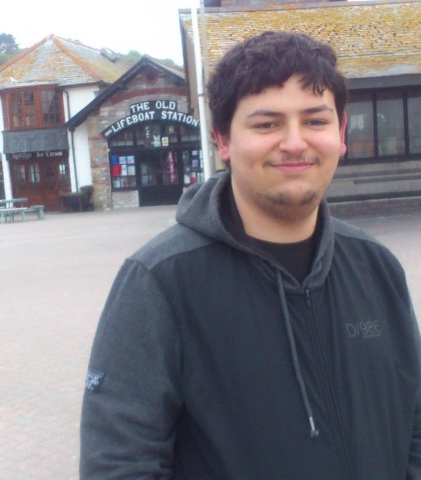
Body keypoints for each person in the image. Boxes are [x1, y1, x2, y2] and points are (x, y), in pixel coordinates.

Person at [80, 31, 421, 479]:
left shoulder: (377, 268)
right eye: (266, 124)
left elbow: (414, 427)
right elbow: (119, 465)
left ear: (340, 133)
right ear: (222, 139)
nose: (295, 143)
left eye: (314, 121)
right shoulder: (158, 281)